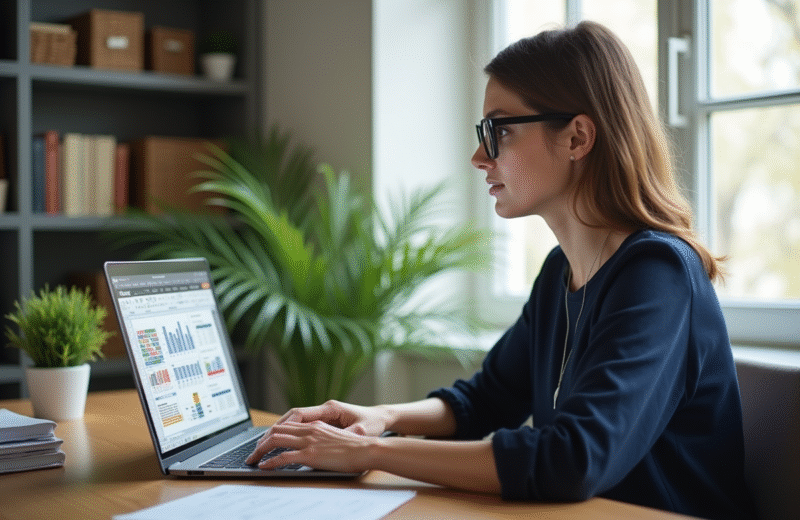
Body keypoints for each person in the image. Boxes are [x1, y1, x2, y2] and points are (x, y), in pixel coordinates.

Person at [247, 21, 756, 519]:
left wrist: (368, 454)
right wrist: (381, 419)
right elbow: (484, 401)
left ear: (577, 137)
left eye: (500, 130)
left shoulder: (658, 274)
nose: (478, 156)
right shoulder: (562, 270)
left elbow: (571, 460)